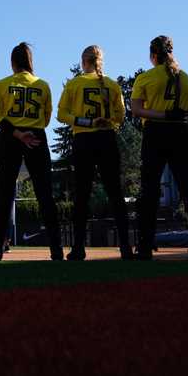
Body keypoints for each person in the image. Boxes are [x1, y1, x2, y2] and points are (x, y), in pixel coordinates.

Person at [130, 36, 188, 260]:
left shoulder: (146, 77)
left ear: (153, 55)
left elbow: (136, 110)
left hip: (156, 132)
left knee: (150, 190)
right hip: (179, 132)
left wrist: (161, 113)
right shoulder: (183, 77)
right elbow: (186, 107)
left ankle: (145, 246)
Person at [0, 42, 62, 261]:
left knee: (3, 195)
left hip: (9, 138)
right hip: (36, 136)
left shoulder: (1, 84)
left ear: (12, 62)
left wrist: (17, 133)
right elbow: (47, 117)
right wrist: (29, 131)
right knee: (45, 194)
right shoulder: (43, 85)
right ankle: (56, 249)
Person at [58, 45, 130, 260]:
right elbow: (121, 115)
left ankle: (78, 247)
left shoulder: (75, 84)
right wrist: (106, 121)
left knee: (82, 194)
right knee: (115, 193)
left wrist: (86, 121)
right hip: (106, 137)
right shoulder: (112, 85)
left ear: (84, 61)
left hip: (84, 138)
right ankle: (125, 246)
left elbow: (62, 114)